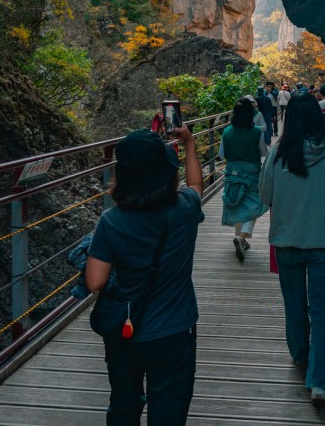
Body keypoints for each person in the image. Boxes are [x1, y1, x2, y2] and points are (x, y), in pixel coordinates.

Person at [86, 126, 205, 426]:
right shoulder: (185, 209)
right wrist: (189, 143)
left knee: (124, 407)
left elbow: (95, 281)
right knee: (169, 414)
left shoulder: (111, 222)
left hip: (127, 331)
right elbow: (196, 185)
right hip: (175, 332)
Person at [260, 93, 325, 408]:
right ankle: (319, 384)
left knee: (295, 303)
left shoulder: (277, 153)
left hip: (287, 242)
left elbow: (265, 194)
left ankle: (300, 355)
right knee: (323, 311)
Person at [220, 98, 268, 261]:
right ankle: (241, 237)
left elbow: (221, 155)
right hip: (252, 171)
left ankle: (241, 238)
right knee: (253, 204)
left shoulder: (226, 131)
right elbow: (263, 152)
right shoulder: (256, 132)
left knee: (236, 202)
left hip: (232, 171)